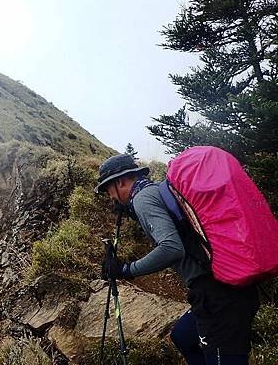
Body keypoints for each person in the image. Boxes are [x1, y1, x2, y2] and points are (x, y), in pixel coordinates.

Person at [94, 153, 260, 365]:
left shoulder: (143, 199)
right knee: (183, 336)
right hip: (224, 287)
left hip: (217, 296)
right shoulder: (155, 191)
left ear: (121, 181)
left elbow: (172, 249)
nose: (110, 196)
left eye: (109, 189)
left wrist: (127, 270)